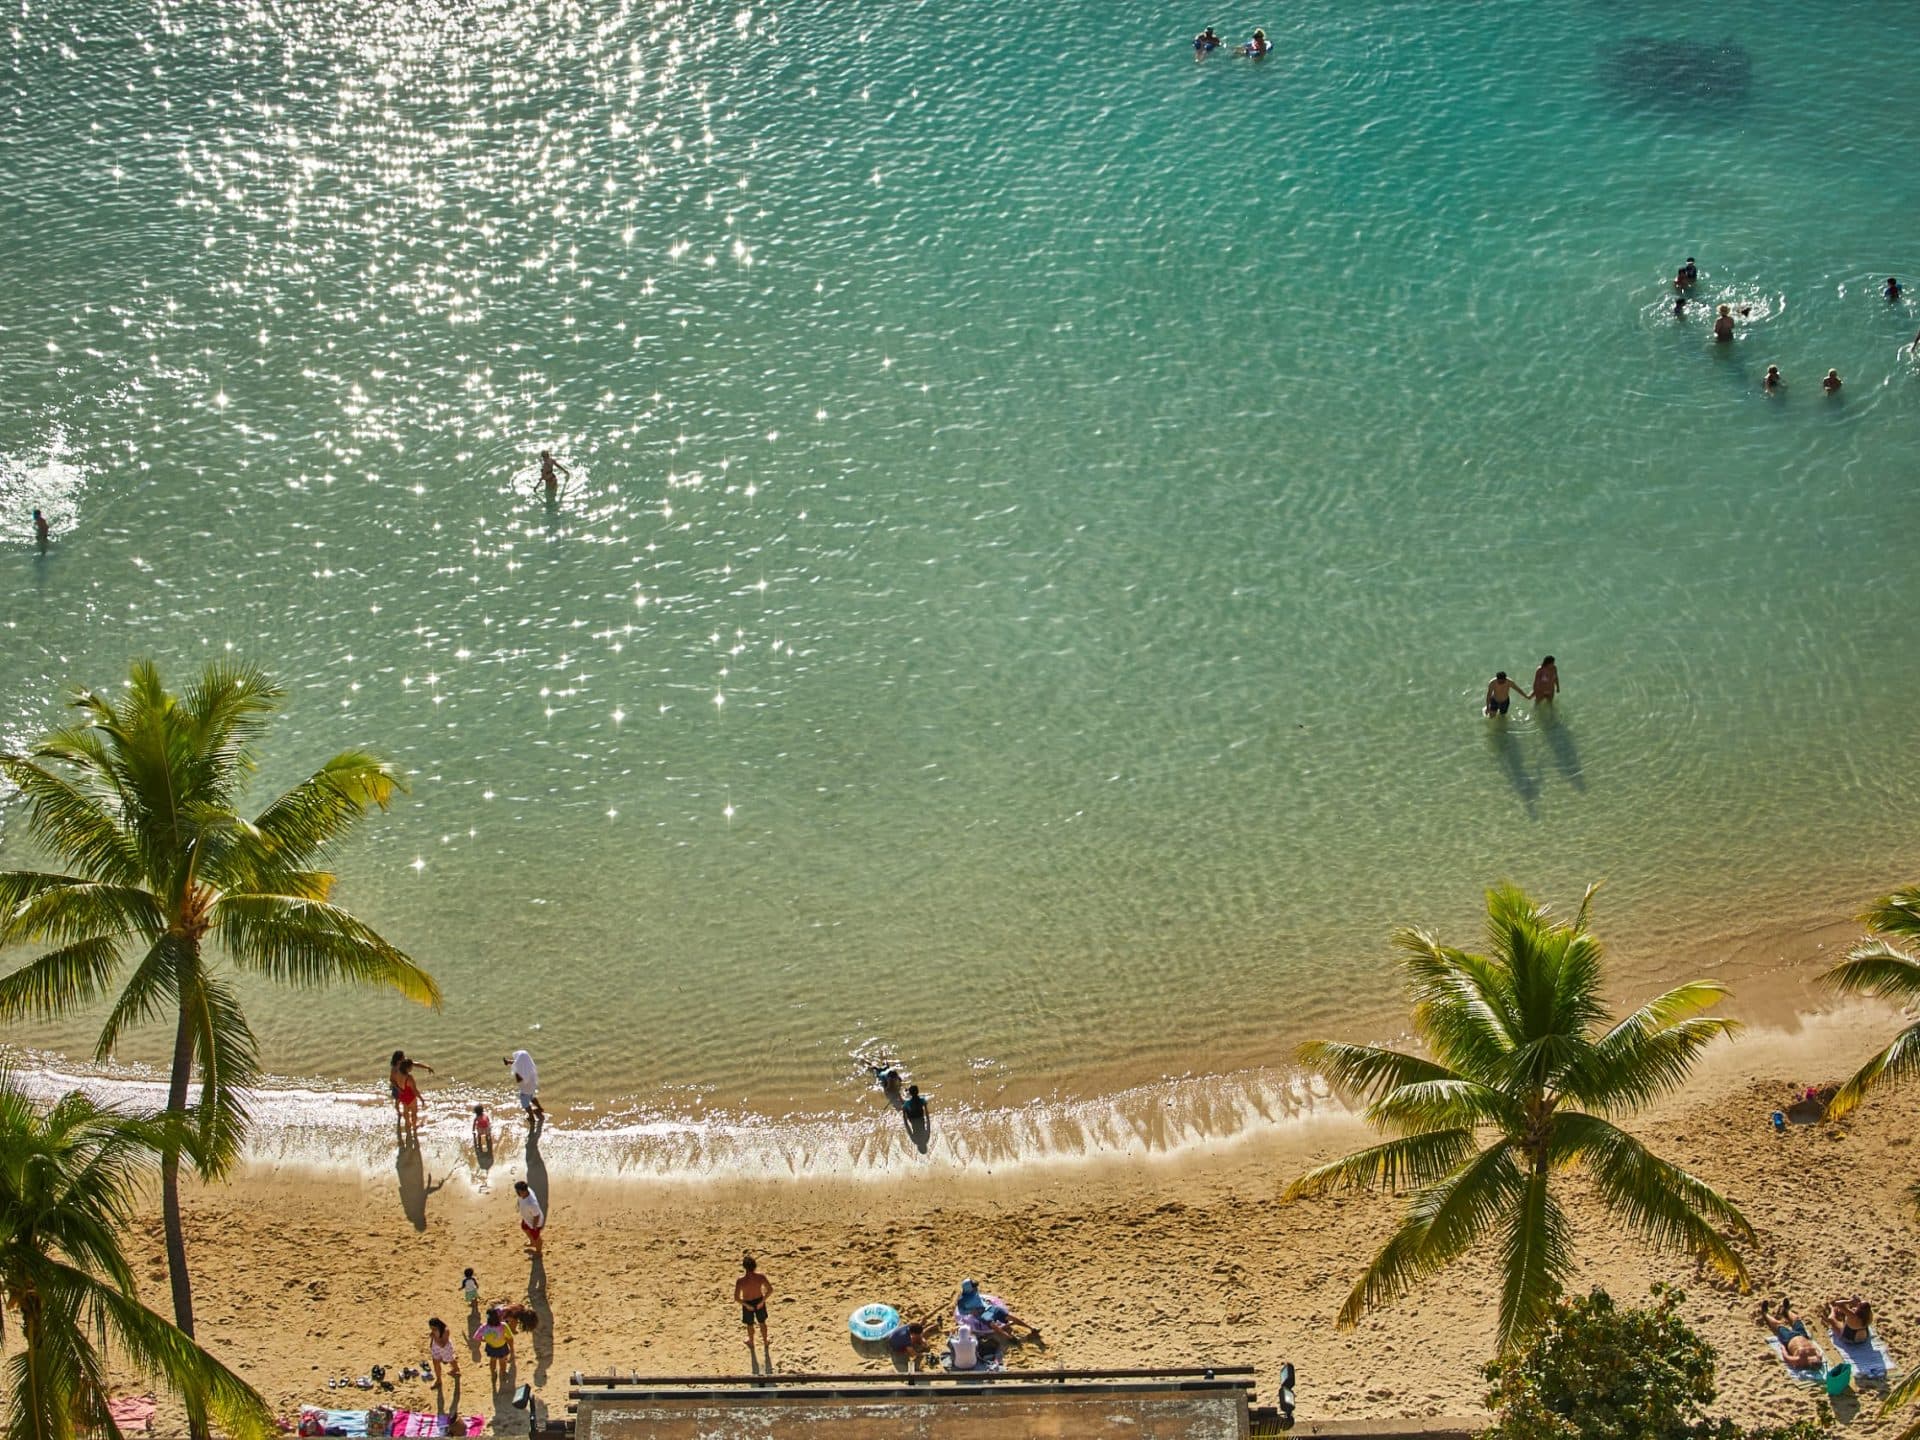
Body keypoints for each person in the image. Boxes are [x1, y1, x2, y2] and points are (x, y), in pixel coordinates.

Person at [1756, 1300, 1823, 1371]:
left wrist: (1783, 1348)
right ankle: (1786, 1310)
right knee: (1796, 1319)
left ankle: (1765, 1313)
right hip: (1803, 1335)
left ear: (1809, 1364)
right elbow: (1817, 1350)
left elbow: (1786, 1357)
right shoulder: (1818, 1357)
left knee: (1778, 1324)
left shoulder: (1799, 1360)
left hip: (1789, 1338)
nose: (1814, 1360)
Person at [735, 1254, 772, 1358]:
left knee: (749, 1324)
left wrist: (746, 1305)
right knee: (762, 1323)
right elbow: (770, 1290)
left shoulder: (741, 1280)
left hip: (747, 1303)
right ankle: (765, 1341)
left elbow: (737, 1298)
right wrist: (762, 1301)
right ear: (755, 1266)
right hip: (759, 1301)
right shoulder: (760, 1277)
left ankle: (751, 1342)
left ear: (744, 1267)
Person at [475, 1306, 514, 1388]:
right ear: (499, 1318)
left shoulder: (484, 1326)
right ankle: (503, 1373)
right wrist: (510, 1347)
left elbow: (477, 1337)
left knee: (492, 1360)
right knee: (503, 1361)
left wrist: (485, 1340)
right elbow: (510, 1337)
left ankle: (493, 1374)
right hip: (502, 1347)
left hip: (491, 1347)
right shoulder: (503, 1325)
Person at [504, 1049, 543, 1117]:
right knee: (531, 1097)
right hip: (532, 1086)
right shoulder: (530, 1065)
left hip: (525, 1089)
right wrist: (508, 1062)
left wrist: (516, 1072)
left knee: (525, 1104)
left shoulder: (520, 1071)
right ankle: (540, 1108)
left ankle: (531, 1117)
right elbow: (517, 1062)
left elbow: (519, 1082)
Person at [513, 1180, 544, 1253]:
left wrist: (534, 1227)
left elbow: (537, 1216)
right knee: (524, 1228)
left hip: (534, 1223)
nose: (517, 1193)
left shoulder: (532, 1203)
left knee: (537, 1238)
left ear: (523, 1191)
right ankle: (532, 1242)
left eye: (518, 1191)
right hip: (527, 1218)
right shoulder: (524, 1192)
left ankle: (538, 1252)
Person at [428, 1317, 459, 1388]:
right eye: (431, 1328)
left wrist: (434, 1337)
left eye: (434, 1328)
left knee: (450, 1360)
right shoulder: (434, 1330)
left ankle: (455, 1369)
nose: (432, 1330)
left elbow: (443, 1345)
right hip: (435, 1348)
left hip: (445, 1349)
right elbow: (433, 1338)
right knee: (435, 1363)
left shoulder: (445, 1330)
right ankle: (438, 1380)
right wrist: (431, 1344)